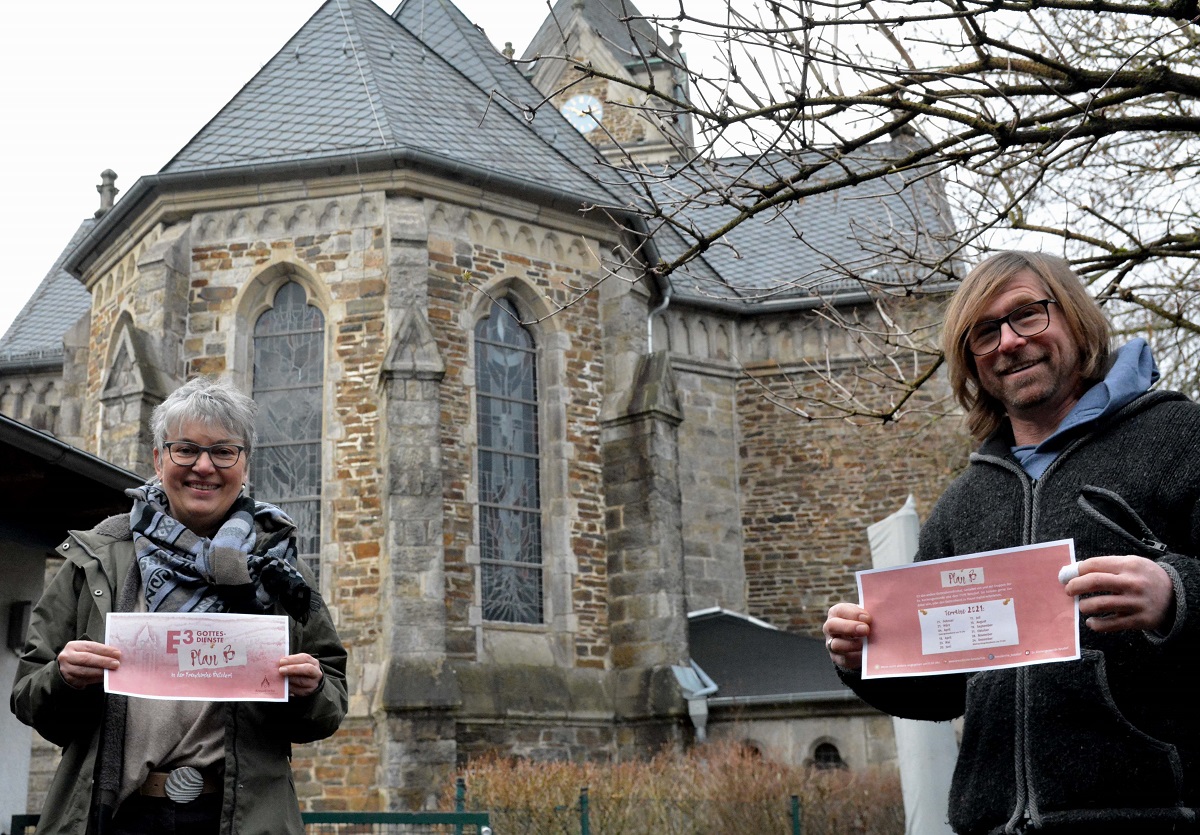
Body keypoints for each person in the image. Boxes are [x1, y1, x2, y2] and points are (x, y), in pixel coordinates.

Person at [823, 251, 1200, 834]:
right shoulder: (963, 502)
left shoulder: (1179, 438)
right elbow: (941, 689)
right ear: (971, 362)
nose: (1008, 341)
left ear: (1074, 318)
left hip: (1153, 815)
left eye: (1027, 314)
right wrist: (866, 658)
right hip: (992, 824)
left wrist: (1175, 593)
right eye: (984, 332)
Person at [11, 377, 347, 835]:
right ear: (158, 458)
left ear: (243, 464)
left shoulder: (277, 569)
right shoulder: (96, 556)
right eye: (185, 449)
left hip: (237, 819)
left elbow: (329, 705)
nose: (203, 467)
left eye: (224, 452)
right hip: (117, 815)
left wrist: (309, 691)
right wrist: (63, 679)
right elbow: (31, 699)